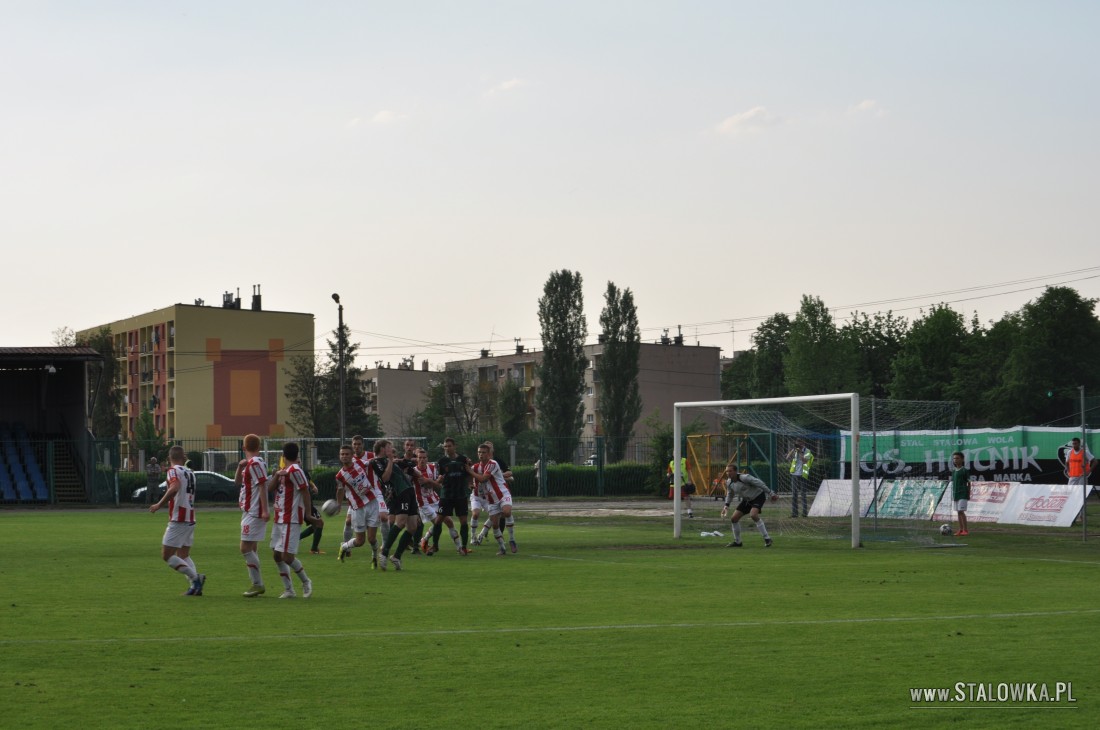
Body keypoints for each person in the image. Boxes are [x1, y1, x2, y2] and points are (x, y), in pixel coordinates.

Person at [150, 445, 204, 595]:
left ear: (169, 458)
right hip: (190, 517)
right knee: (183, 555)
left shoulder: (173, 471)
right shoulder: (190, 472)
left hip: (179, 519)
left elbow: (174, 487)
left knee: (167, 555)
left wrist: (159, 504)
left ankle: (196, 578)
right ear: (184, 457)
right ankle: (195, 586)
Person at [269, 442, 319, 598]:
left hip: (291, 517)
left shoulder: (296, 470)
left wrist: (308, 514)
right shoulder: (283, 471)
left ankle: (306, 581)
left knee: (287, 557)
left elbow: (305, 492)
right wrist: (277, 475)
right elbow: (270, 489)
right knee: (277, 555)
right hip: (279, 517)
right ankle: (289, 590)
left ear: (283, 454)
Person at [372, 439, 421, 570]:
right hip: (401, 492)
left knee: (412, 527)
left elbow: (416, 473)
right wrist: (390, 461)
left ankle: (397, 556)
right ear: (382, 449)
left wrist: (400, 463)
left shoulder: (393, 461)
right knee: (400, 522)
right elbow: (385, 478)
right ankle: (384, 552)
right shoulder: (376, 462)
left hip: (410, 491)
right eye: (389, 447)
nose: (392, 449)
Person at [234, 433, 270, 598]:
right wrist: (241, 467)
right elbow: (237, 482)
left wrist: (265, 510)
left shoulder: (255, 463)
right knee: (252, 548)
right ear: (259, 447)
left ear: (243, 448)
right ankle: (256, 583)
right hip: (250, 510)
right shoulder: (253, 463)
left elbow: (262, 485)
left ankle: (257, 584)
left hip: (254, 511)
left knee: (245, 548)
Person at [334, 444, 381, 566]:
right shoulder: (340, 476)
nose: (344, 456)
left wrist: (387, 458)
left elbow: (370, 462)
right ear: (340, 456)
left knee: (372, 539)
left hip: (372, 503)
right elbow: (340, 490)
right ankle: (344, 546)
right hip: (358, 508)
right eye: (342, 454)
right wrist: (338, 505)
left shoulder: (359, 462)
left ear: (351, 455)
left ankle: (374, 557)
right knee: (360, 541)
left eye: (347, 454)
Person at [469, 442, 516, 555]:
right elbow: (468, 475)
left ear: (489, 453)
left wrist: (469, 471)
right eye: (479, 452)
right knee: (495, 524)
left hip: (503, 494)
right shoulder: (475, 467)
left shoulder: (493, 463)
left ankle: (511, 540)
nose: (481, 454)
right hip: (490, 498)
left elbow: (484, 478)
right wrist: (469, 481)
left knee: (506, 511)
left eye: (484, 452)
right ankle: (502, 548)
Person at [721, 465, 776, 548]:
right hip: (747, 500)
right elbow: (730, 494)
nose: (728, 473)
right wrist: (726, 506)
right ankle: (738, 542)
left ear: (736, 471)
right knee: (734, 519)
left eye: (730, 471)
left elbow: (760, 483)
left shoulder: (745, 478)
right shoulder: (729, 482)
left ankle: (767, 538)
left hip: (758, 496)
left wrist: (770, 493)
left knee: (753, 515)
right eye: (727, 471)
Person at [434, 437, 473, 555]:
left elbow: (469, 473)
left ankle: (464, 547)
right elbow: (439, 479)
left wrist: (470, 483)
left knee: (464, 521)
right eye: (445, 446)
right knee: (438, 521)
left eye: (449, 446)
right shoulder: (441, 461)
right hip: (446, 495)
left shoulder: (463, 459)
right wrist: (439, 480)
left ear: (455, 446)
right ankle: (435, 546)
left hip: (460, 494)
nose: (447, 448)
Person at [784, 439, 814, 518]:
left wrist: (800, 452)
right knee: (794, 494)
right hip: (794, 474)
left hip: (803, 474)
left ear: (803, 444)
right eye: (797, 444)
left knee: (803, 494)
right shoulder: (795, 450)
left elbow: (805, 461)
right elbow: (787, 458)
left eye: (799, 444)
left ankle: (804, 513)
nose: (798, 446)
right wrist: (793, 450)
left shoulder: (807, 451)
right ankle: (794, 513)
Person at [950, 451, 971, 537]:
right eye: (954, 458)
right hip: (956, 494)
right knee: (958, 512)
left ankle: (965, 530)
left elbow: (969, 483)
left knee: (961, 511)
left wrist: (968, 493)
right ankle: (961, 529)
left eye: (957, 458)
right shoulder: (954, 471)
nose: (955, 460)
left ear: (962, 459)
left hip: (963, 493)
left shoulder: (964, 470)